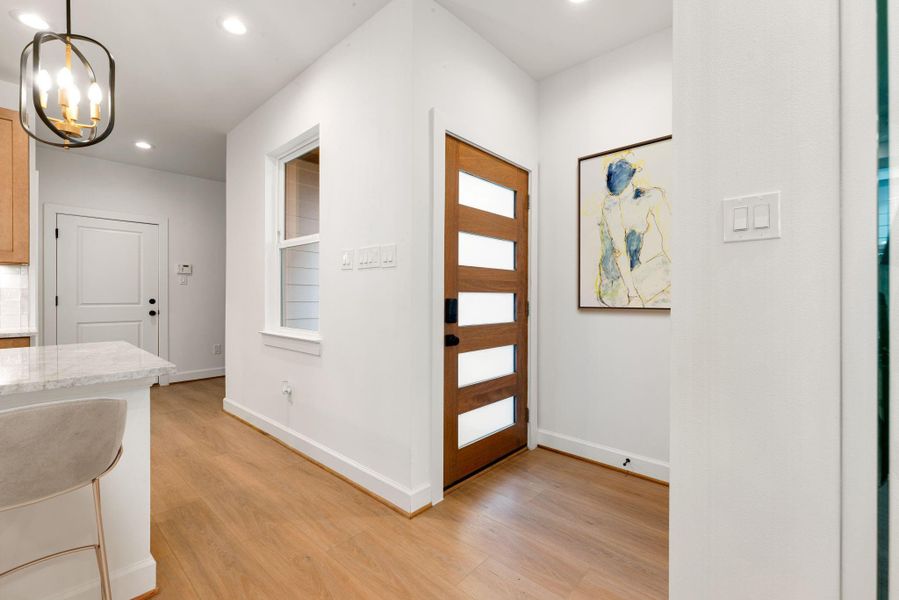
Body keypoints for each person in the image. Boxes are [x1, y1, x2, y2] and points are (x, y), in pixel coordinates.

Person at [595, 156, 671, 308]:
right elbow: (619, 252)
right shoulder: (611, 205)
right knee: (670, 268)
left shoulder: (652, 196)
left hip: (634, 276)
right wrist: (633, 295)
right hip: (617, 286)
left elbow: (669, 237)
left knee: (672, 265)